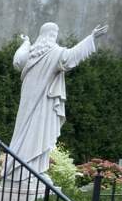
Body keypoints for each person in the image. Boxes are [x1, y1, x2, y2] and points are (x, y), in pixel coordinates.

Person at [7, 22, 107, 177]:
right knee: (38, 132)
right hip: (43, 102)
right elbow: (72, 56)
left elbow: (17, 62)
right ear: (52, 34)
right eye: (55, 33)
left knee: (25, 131)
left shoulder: (32, 52)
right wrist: (91, 37)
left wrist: (26, 43)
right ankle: (27, 171)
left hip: (29, 100)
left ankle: (30, 170)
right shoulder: (54, 52)